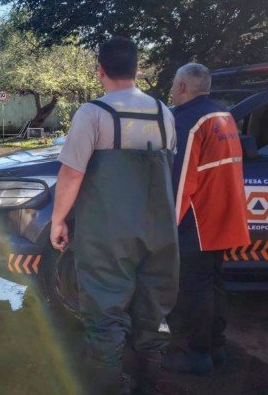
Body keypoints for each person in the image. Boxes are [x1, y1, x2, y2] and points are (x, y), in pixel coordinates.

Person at [50, 36, 179, 394]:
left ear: (100, 71)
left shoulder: (93, 113)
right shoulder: (164, 113)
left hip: (107, 233)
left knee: (105, 315)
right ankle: (147, 387)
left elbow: (72, 172)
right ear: (138, 69)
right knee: (151, 315)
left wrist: (59, 220)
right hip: (159, 232)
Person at [164, 63, 251, 375]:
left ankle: (196, 353)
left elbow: (182, 179)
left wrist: (167, 228)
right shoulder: (223, 114)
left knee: (193, 288)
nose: (172, 90)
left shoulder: (189, 120)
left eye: (174, 84)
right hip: (224, 217)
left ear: (184, 87)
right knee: (213, 283)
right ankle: (216, 347)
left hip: (197, 221)